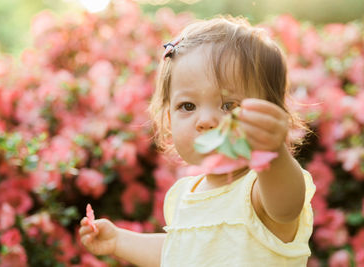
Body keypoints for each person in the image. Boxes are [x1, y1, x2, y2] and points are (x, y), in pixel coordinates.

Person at [79, 16, 316, 267]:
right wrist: (119, 241)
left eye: (228, 105)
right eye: (188, 106)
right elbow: (178, 251)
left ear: (267, 114)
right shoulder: (184, 196)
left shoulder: (259, 189)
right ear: (169, 120)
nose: (205, 120)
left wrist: (272, 151)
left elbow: (286, 206)